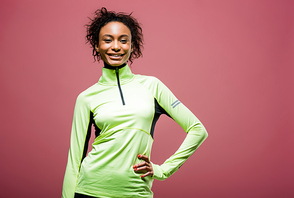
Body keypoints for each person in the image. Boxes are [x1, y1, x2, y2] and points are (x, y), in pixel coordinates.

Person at [62, 7, 208, 198]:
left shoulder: (152, 86)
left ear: (132, 45)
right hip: (89, 190)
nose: (116, 46)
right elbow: (74, 160)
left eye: (123, 40)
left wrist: (162, 170)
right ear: (97, 46)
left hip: (136, 193)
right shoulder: (86, 97)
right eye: (108, 40)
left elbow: (198, 130)